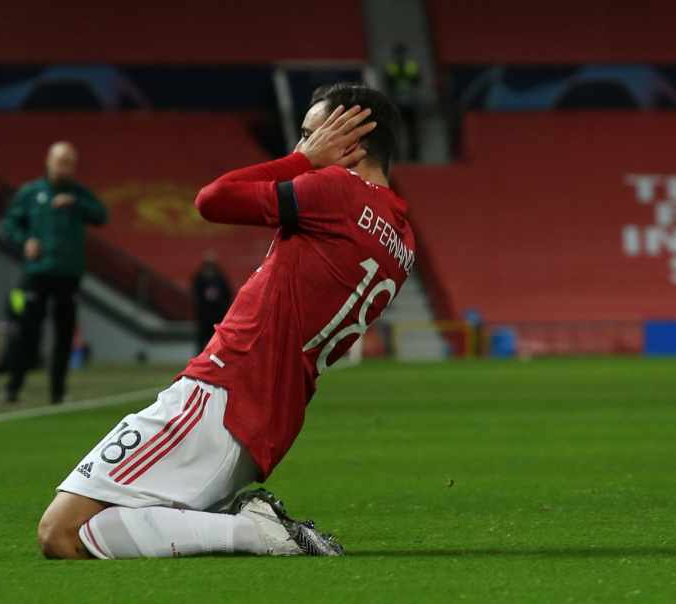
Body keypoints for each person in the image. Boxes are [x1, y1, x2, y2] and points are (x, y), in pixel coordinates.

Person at [37, 84, 414, 560]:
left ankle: (258, 533)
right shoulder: (402, 236)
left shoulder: (336, 189)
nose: (299, 147)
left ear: (350, 137)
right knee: (92, 531)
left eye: (309, 135)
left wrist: (302, 162)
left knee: (60, 531)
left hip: (223, 389)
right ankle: (249, 529)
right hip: (270, 413)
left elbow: (214, 199)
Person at [2, 142, 107, 404]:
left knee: (64, 333)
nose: (64, 167)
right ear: (48, 161)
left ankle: (57, 392)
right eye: (60, 161)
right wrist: (25, 240)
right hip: (36, 273)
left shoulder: (79, 194)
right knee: (27, 330)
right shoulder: (31, 192)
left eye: (69, 162)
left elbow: (101, 216)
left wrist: (76, 203)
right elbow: (10, 224)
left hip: (68, 275)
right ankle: (13, 387)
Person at [191, 251, 233, 353]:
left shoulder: (220, 278)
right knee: (202, 340)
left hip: (216, 314)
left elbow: (227, 294)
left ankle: (214, 359)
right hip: (204, 315)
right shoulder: (200, 277)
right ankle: (200, 360)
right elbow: (195, 294)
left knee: (215, 340)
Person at [384, 43, 421, 160]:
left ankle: (413, 156)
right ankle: (397, 156)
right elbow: (388, 83)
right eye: (398, 53)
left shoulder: (411, 66)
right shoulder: (391, 67)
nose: (400, 56)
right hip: (397, 103)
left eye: (401, 53)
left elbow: (417, 81)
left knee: (412, 130)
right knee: (397, 132)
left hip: (410, 103)